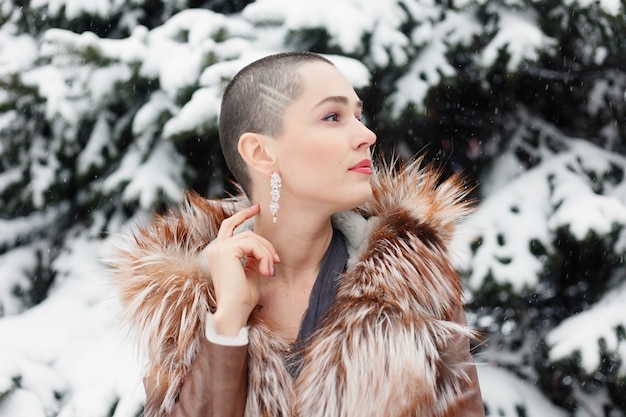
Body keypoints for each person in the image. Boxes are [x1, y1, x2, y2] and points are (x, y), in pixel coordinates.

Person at [109, 51, 485, 417]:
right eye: (333, 116)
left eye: (359, 115)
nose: (366, 135)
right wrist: (228, 324)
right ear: (260, 152)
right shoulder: (188, 306)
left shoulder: (413, 280)